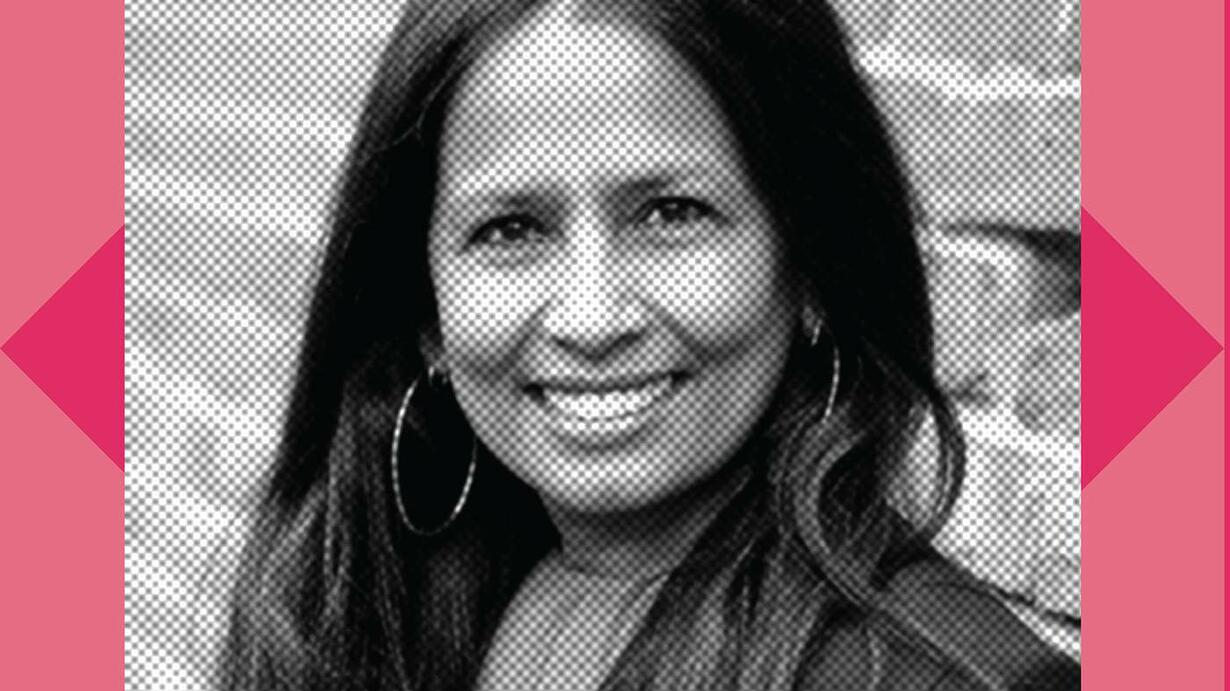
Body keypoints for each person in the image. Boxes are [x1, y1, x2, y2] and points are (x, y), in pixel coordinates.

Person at [219, 0, 1080, 689]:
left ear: (811, 267)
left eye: (672, 213)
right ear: (425, 314)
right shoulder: (379, 613)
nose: (592, 318)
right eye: (510, 229)